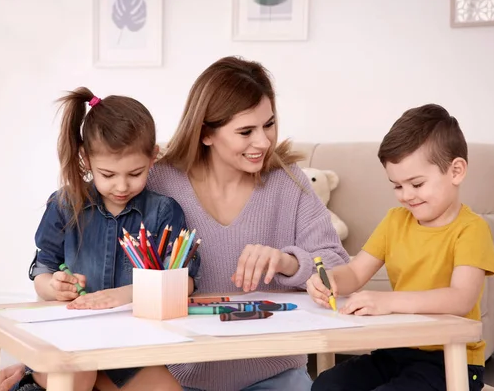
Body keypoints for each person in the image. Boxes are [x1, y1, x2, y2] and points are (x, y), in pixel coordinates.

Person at [144, 56, 351, 391]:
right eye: (246, 131)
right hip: (179, 381)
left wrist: (289, 262)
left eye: (268, 125)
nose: (264, 142)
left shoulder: (288, 181)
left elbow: (338, 266)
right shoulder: (158, 182)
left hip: (275, 377)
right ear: (206, 133)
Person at [6, 87, 199, 391]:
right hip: (69, 340)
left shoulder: (164, 212)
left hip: (130, 350)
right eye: (107, 175)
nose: (121, 186)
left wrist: (124, 295)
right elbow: (42, 272)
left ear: (153, 158)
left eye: (135, 173)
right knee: (76, 376)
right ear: (86, 160)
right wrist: (54, 287)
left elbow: (184, 284)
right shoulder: (64, 205)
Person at [306, 103, 494, 391]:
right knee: (327, 385)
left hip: (451, 361)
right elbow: (356, 274)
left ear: (456, 171)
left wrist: (387, 302)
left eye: (416, 184)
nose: (405, 196)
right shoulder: (395, 221)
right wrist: (332, 281)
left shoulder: (471, 229)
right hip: (398, 348)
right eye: (397, 186)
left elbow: (461, 299)